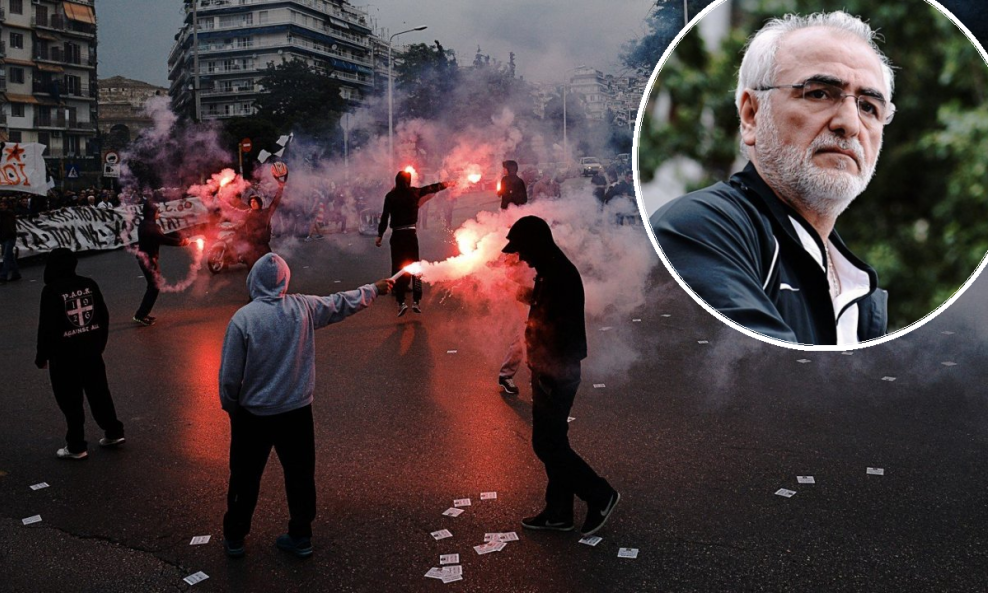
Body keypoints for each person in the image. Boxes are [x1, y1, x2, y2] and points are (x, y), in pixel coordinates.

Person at [650, 11, 892, 346]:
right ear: (751, 115)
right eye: (819, 93)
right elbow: (774, 386)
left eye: (869, 107)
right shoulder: (699, 230)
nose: (850, 123)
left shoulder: (861, 294)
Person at [218, 252, 393, 559]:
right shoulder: (303, 307)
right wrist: (375, 289)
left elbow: (229, 377)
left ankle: (235, 535)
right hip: (296, 411)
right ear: (285, 280)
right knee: (299, 475)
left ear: (253, 280)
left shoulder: (243, 320)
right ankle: (301, 535)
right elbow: (341, 303)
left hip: (253, 414)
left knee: (245, 477)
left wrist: (232, 406)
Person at [502, 216, 619, 537]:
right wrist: (519, 292)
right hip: (551, 368)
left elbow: (558, 329)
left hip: (555, 370)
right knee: (552, 441)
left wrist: (546, 374)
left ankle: (600, 494)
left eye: (523, 249)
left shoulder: (557, 274)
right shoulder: (550, 271)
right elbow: (546, 308)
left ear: (536, 244)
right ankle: (558, 512)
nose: (521, 257)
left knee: (547, 443)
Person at [35, 248, 125, 460]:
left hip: (64, 357)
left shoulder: (51, 290)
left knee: (70, 401)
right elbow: (102, 316)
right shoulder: (89, 284)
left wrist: (42, 356)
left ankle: (76, 445)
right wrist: (99, 344)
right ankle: (113, 431)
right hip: (91, 352)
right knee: (100, 393)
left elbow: (47, 327)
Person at [375, 171, 456, 316]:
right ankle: (416, 301)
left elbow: (385, 217)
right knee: (415, 267)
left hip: (397, 235)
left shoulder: (390, 196)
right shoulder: (414, 193)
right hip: (411, 235)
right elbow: (432, 188)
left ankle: (401, 302)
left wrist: (380, 235)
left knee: (398, 267)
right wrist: (448, 184)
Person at [133, 199, 190, 326]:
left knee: (153, 286)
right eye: (156, 211)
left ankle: (142, 314)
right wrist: (182, 242)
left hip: (147, 259)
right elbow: (163, 239)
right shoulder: (150, 227)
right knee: (154, 287)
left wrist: (180, 237)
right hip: (148, 260)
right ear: (151, 212)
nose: (159, 212)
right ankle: (140, 315)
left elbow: (163, 235)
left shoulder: (147, 224)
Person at [243, 163, 288, 268]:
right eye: (251, 202)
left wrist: (280, 188)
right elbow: (233, 210)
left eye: (255, 202)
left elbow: (275, 202)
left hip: (263, 247)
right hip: (251, 247)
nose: (253, 203)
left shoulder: (265, 212)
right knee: (252, 270)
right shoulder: (247, 213)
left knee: (270, 267)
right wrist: (222, 198)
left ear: (260, 203)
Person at [0, 199, 21, 283]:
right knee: (10, 257)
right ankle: (16, 273)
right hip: (4, 238)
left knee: (6, 257)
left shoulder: (9, 214)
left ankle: (3, 276)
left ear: (6, 206)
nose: (0, 207)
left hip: (9, 237)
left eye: (1, 205)